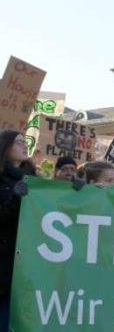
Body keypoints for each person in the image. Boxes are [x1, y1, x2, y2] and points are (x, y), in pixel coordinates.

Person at [0, 130, 34, 329]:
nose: (25, 145)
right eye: (19, 142)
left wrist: (78, 190)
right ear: (6, 146)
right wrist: (14, 196)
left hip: (23, 269)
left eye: (25, 142)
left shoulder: (33, 180)